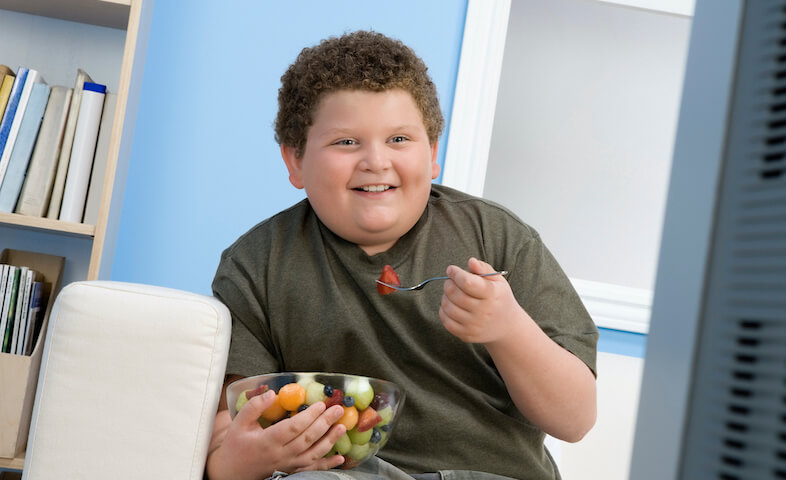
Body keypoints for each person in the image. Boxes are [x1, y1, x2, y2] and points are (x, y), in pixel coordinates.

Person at [205, 30, 598, 480]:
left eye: (398, 140)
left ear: (432, 154)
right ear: (295, 161)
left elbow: (576, 418)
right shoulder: (257, 265)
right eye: (346, 142)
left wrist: (507, 329)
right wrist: (234, 464)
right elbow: (231, 425)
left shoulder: (498, 238)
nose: (376, 161)